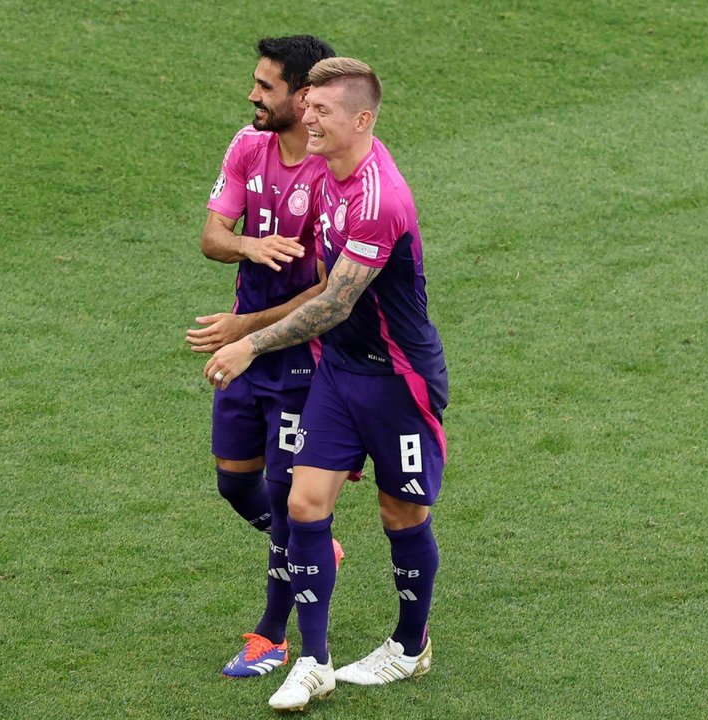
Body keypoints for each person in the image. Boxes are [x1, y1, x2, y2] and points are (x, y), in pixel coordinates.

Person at [204, 57, 448, 711]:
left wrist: (248, 342)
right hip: (339, 373)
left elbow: (336, 302)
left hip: (398, 379)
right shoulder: (331, 169)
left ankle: (409, 644)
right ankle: (312, 659)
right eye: (305, 105)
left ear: (361, 122)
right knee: (305, 504)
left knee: (403, 512)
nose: (307, 118)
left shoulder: (378, 198)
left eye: (322, 112)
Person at [186, 35, 340, 680]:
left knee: (283, 497)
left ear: (305, 97)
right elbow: (212, 236)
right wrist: (250, 247)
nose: (252, 94)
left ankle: (272, 637)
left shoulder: (338, 173)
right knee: (233, 481)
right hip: (246, 355)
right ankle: (314, 547)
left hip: (303, 360)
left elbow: (333, 289)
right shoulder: (248, 146)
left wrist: (243, 329)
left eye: (266, 86)